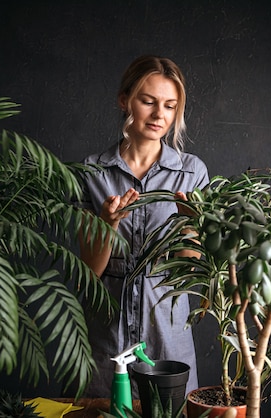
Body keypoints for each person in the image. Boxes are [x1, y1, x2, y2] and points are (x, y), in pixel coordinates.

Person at [76, 55, 210, 398]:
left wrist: (188, 222)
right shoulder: (92, 173)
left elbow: (189, 267)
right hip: (106, 333)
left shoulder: (191, 172)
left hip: (167, 327)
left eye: (169, 105)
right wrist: (107, 225)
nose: (159, 114)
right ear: (125, 100)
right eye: (148, 101)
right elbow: (89, 271)